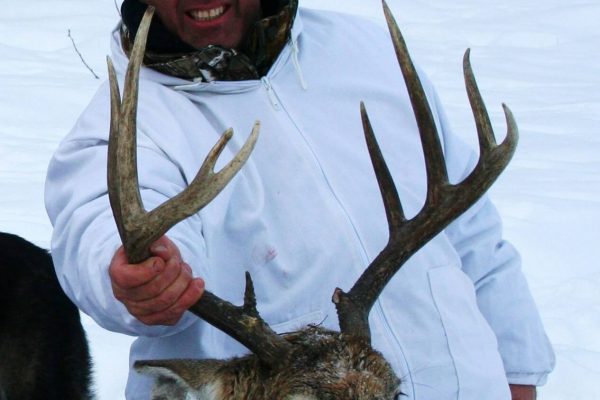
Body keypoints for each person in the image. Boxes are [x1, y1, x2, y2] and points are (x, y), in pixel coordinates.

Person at [44, 0, 555, 399]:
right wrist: (140, 279)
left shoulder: (364, 50)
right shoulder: (123, 132)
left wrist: (515, 368)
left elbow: (470, 234)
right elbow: (95, 228)